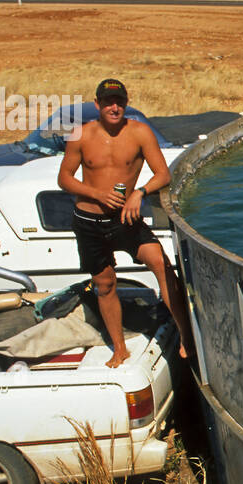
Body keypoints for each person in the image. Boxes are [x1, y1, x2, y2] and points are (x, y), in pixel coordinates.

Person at [58, 78, 189, 367]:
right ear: (97, 105)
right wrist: (96, 192)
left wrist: (139, 193)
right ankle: (119, 348)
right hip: (88, 220)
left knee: (160, 263)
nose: (114, 107)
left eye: (119, 102)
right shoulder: (80, 135)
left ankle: (185, 334)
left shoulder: (140, 133)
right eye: (108, 102)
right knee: (104, 284)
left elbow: (163, 175)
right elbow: (64, 178)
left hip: (124, 218)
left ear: (126, 104)